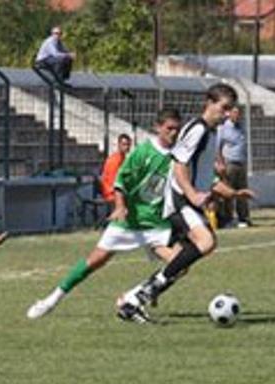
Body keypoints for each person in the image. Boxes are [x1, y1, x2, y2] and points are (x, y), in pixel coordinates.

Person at [116, 83, 255, 323]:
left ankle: (131, 299)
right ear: (209, 103)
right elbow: (179, 165)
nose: (227, 114)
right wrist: (192, 196)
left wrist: (232, 194)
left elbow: (204, 178)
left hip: (188, 201)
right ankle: (144, 293)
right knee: (207, 241)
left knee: (180, 263)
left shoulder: (211, 134)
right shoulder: (198, 129)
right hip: (179, 200)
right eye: (223, 108)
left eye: (230, 109)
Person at [26, 110, 183, 319]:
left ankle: (132, 297)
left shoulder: (180, 155)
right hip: (130, 221)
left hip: (156, 224)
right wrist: (119, 206)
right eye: (169, 128)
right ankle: (50, 300)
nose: (173, 133)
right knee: (94, 261)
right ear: (158, 127)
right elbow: (121, 182)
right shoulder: (143, 152)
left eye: (177, 129)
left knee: (180, 265)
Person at [216, 105, 251, 227]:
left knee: (243, 192)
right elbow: (218, 148)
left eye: (239, 113)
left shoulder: (241, 127)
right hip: (229, 163)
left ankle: (244, 218)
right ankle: (228, 219)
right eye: (235, 112)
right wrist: (220, 163)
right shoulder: (223, 128)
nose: (237, 115)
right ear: (229, 113)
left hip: (241, 163)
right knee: (228, 192)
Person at [99, 134, 132, 206]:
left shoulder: (123, 158)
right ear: (119, 145)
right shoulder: (114, 160)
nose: (126, 147)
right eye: (124, 144)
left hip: (117, 191)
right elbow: (112, 182)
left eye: (128, 145)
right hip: (111, 194)